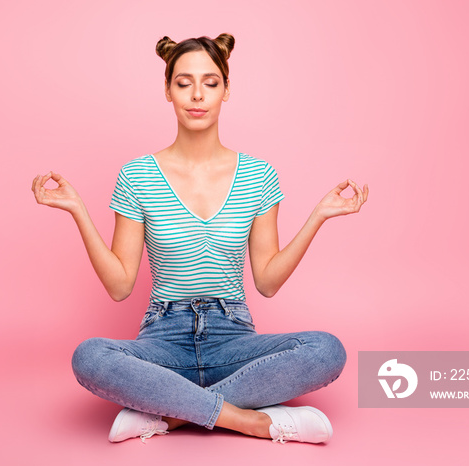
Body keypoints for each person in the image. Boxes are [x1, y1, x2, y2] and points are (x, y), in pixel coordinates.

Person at [31, 33, 369, 445]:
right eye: (183, 82)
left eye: (210, 82)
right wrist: (78, 210)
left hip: (234, 342)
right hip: (163, 342)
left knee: (326, 350)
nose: (197, 95)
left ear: (226, 90)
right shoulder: (137, 176)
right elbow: (120, 286)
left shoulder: (258, 176)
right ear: (168, 90)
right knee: (89, 357)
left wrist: (319, 215)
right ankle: (251, 421)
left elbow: (267, 281)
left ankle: (170, 414)